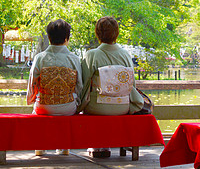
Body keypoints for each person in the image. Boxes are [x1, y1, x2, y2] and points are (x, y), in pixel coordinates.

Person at [79, 16, 144, 157]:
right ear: (117, 33)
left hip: (97, 106)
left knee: (90, 104)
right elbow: (131, 84)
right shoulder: (125, 55)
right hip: (122, 105)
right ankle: (104, 144)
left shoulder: (91, 55)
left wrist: (79, 104)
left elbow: (84, 84)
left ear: (97, 33)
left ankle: (97, 145)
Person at [27, 19, 83, 156]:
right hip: (68, 106)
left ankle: (40, 146)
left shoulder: (40, 58)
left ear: (49, 37)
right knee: (67, 106)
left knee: (37, 109)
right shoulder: (74, 59)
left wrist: (31, 99)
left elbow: (32, 83)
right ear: (66, 38)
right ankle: (64, 147)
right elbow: (80, 86)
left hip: (44, 106)